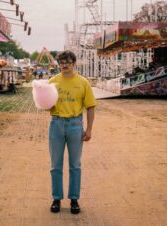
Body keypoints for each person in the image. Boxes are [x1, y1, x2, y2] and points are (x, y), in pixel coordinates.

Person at [48, 50, 97, 214]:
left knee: (75, 165)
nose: (64, 65)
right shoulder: (52, 82)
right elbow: (45, 104)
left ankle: (74, 199)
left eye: (68, 61)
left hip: (75, 125)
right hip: (56, 124)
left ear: (74, 63)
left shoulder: (83, 82)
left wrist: (89, 129)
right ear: (58, 64)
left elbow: (90, 107)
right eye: (61, 62)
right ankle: (56, 198)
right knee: (56, 165)